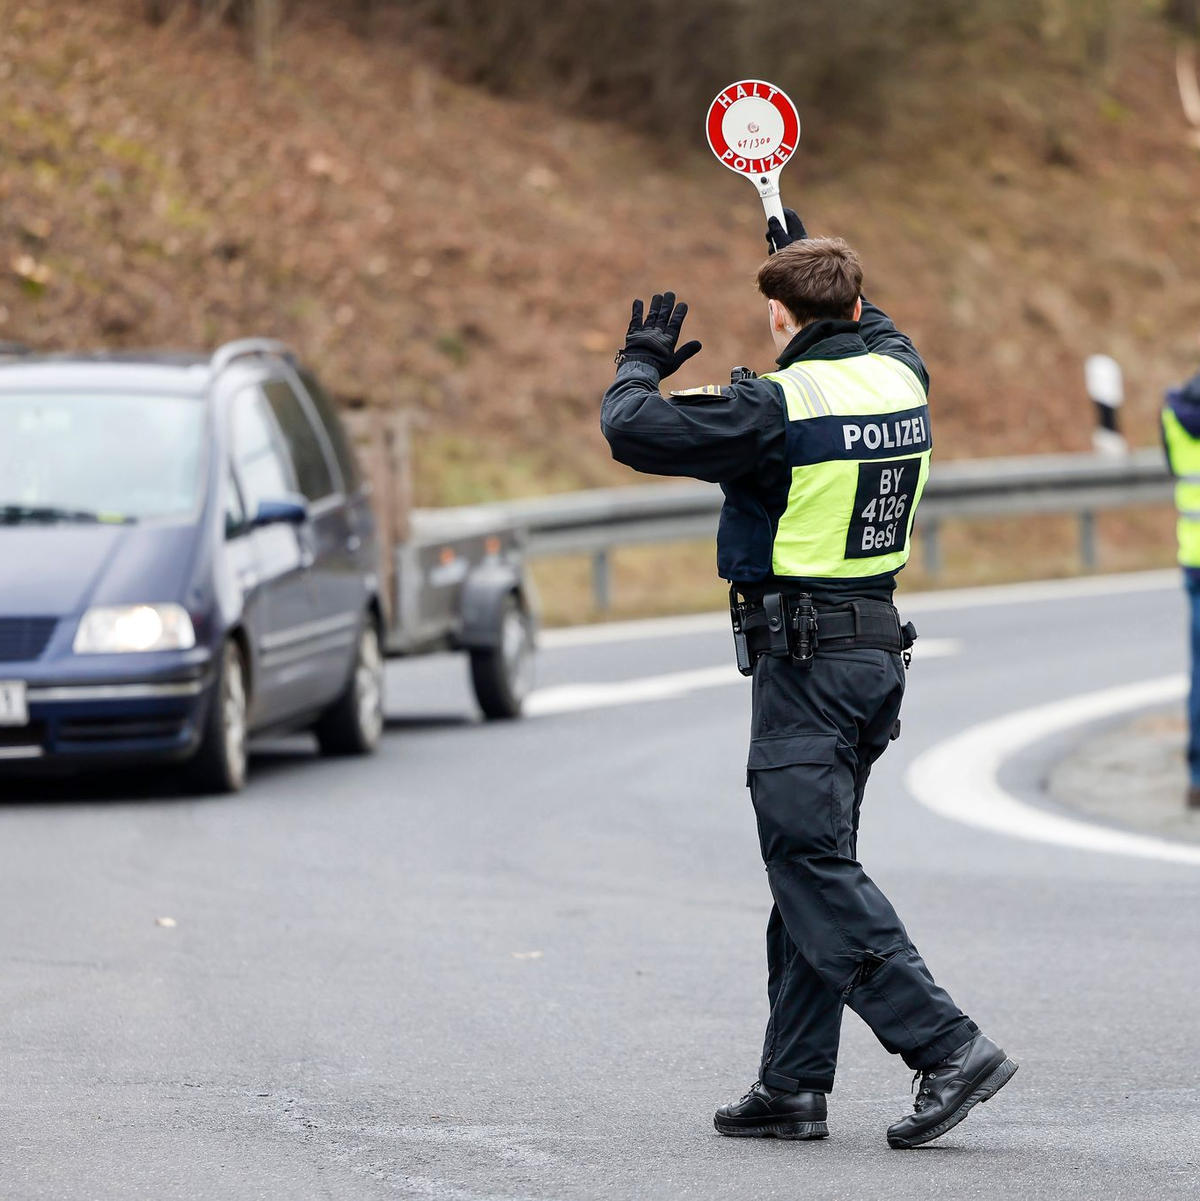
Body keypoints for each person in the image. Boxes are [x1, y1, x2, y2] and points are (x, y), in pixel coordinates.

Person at [599, 210, 1017, 1149]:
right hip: (874, 655)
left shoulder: (775, 407)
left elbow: (630, 428)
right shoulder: (900, 373)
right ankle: (793, 1084)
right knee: (812, 863)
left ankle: (946, 1046)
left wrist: (640, 359)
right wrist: (801, 247)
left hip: (805, 662)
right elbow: (873, 318)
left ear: (782, 320)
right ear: (858, 302)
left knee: (808, 864)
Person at [1161, 365, 1200, 809]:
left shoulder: (1174, 411)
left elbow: (1174, 467)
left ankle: (1196, 776)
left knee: (1199, 676)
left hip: (1193, 562)